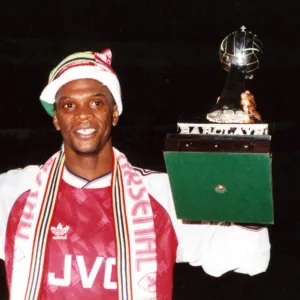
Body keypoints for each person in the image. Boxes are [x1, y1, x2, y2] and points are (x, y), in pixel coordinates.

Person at [0, 49, 270, 300]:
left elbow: (245, 255)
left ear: (115, 112)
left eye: (96, 103)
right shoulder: (14, 191)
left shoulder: (162, 192)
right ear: (56, 118)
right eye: (69, 105)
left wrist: (244, 160)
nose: (82, 115)